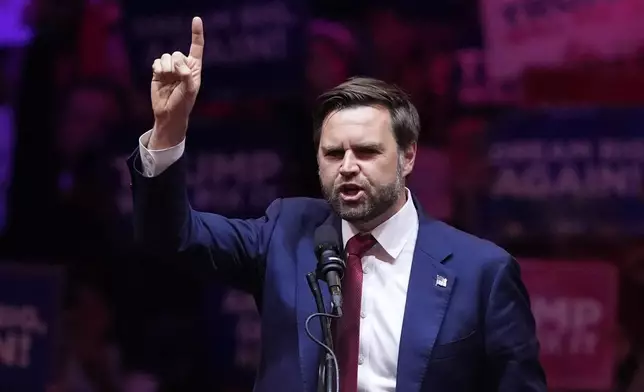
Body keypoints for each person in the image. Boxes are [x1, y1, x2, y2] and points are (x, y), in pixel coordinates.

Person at [127, 16, 547, 392]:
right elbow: (172, 236)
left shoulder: (481, 273)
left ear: (408, 156)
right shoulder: (285, 233)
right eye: (333, 154)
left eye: (366, 152)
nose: (347, 167)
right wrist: (169, 128)